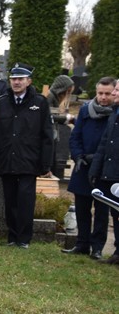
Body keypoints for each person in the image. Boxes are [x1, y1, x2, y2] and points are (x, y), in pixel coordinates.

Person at [0, 63, 54, 249]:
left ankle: (24, 238)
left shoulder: (39, 103)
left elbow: (47, 135)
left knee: (25, 200)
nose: (16, 82)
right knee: (10, 201)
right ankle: (12, 236)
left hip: (28, 161)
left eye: (20, 79)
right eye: (14, 79)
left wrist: (46, 163)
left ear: (28, 81)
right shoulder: (1, 103)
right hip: (7, 158)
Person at [64, 77, 116, 260]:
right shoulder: (86, 110)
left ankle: (97, 247)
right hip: (84, 165)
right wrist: (78, 155)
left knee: (101, 210)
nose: (103, 97)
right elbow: (75, 137)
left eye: (107, 94)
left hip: (104, 169)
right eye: (100, 93)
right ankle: (82, 243)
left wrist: (98, 159)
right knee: (81, 207)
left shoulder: (114, 115)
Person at [88, 80, 119, 265]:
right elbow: (104, 145)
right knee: (115, 214)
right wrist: (95, 170)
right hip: (109, 172)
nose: (113, 93)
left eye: (116, 90)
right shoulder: (114, 114)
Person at [46, 75, 75, 178]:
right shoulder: (50, 96)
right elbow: (47, 116)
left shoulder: (55, 97)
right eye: (67, 90)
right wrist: (66, 118)